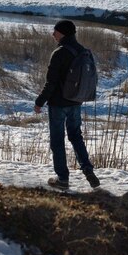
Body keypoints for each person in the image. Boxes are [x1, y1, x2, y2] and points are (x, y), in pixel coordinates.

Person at [34, 20, 100, 190]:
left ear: (62, 33)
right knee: (76, 136)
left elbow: (51, 83)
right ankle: (87, 169)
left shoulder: (60, 52)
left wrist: (39, 101)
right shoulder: (82, 51)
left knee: (57, 140)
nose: (52, 34)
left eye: (55, 31)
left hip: (58, 104)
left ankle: (62, 179)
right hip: (76, 101)